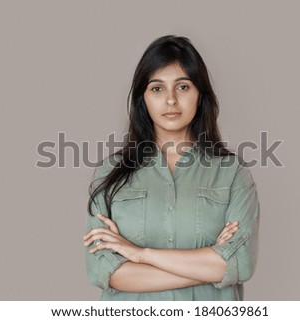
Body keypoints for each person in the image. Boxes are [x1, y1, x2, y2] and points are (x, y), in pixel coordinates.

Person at [83, 35, 260, 301]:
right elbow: (105, 272)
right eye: (157, 88)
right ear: (142, 98)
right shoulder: (110, 174)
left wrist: (140, 255)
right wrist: (212, 265)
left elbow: (242, 262)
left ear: (200, 94)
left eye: (183, 87)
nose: (170, 100)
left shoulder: (231, 172)